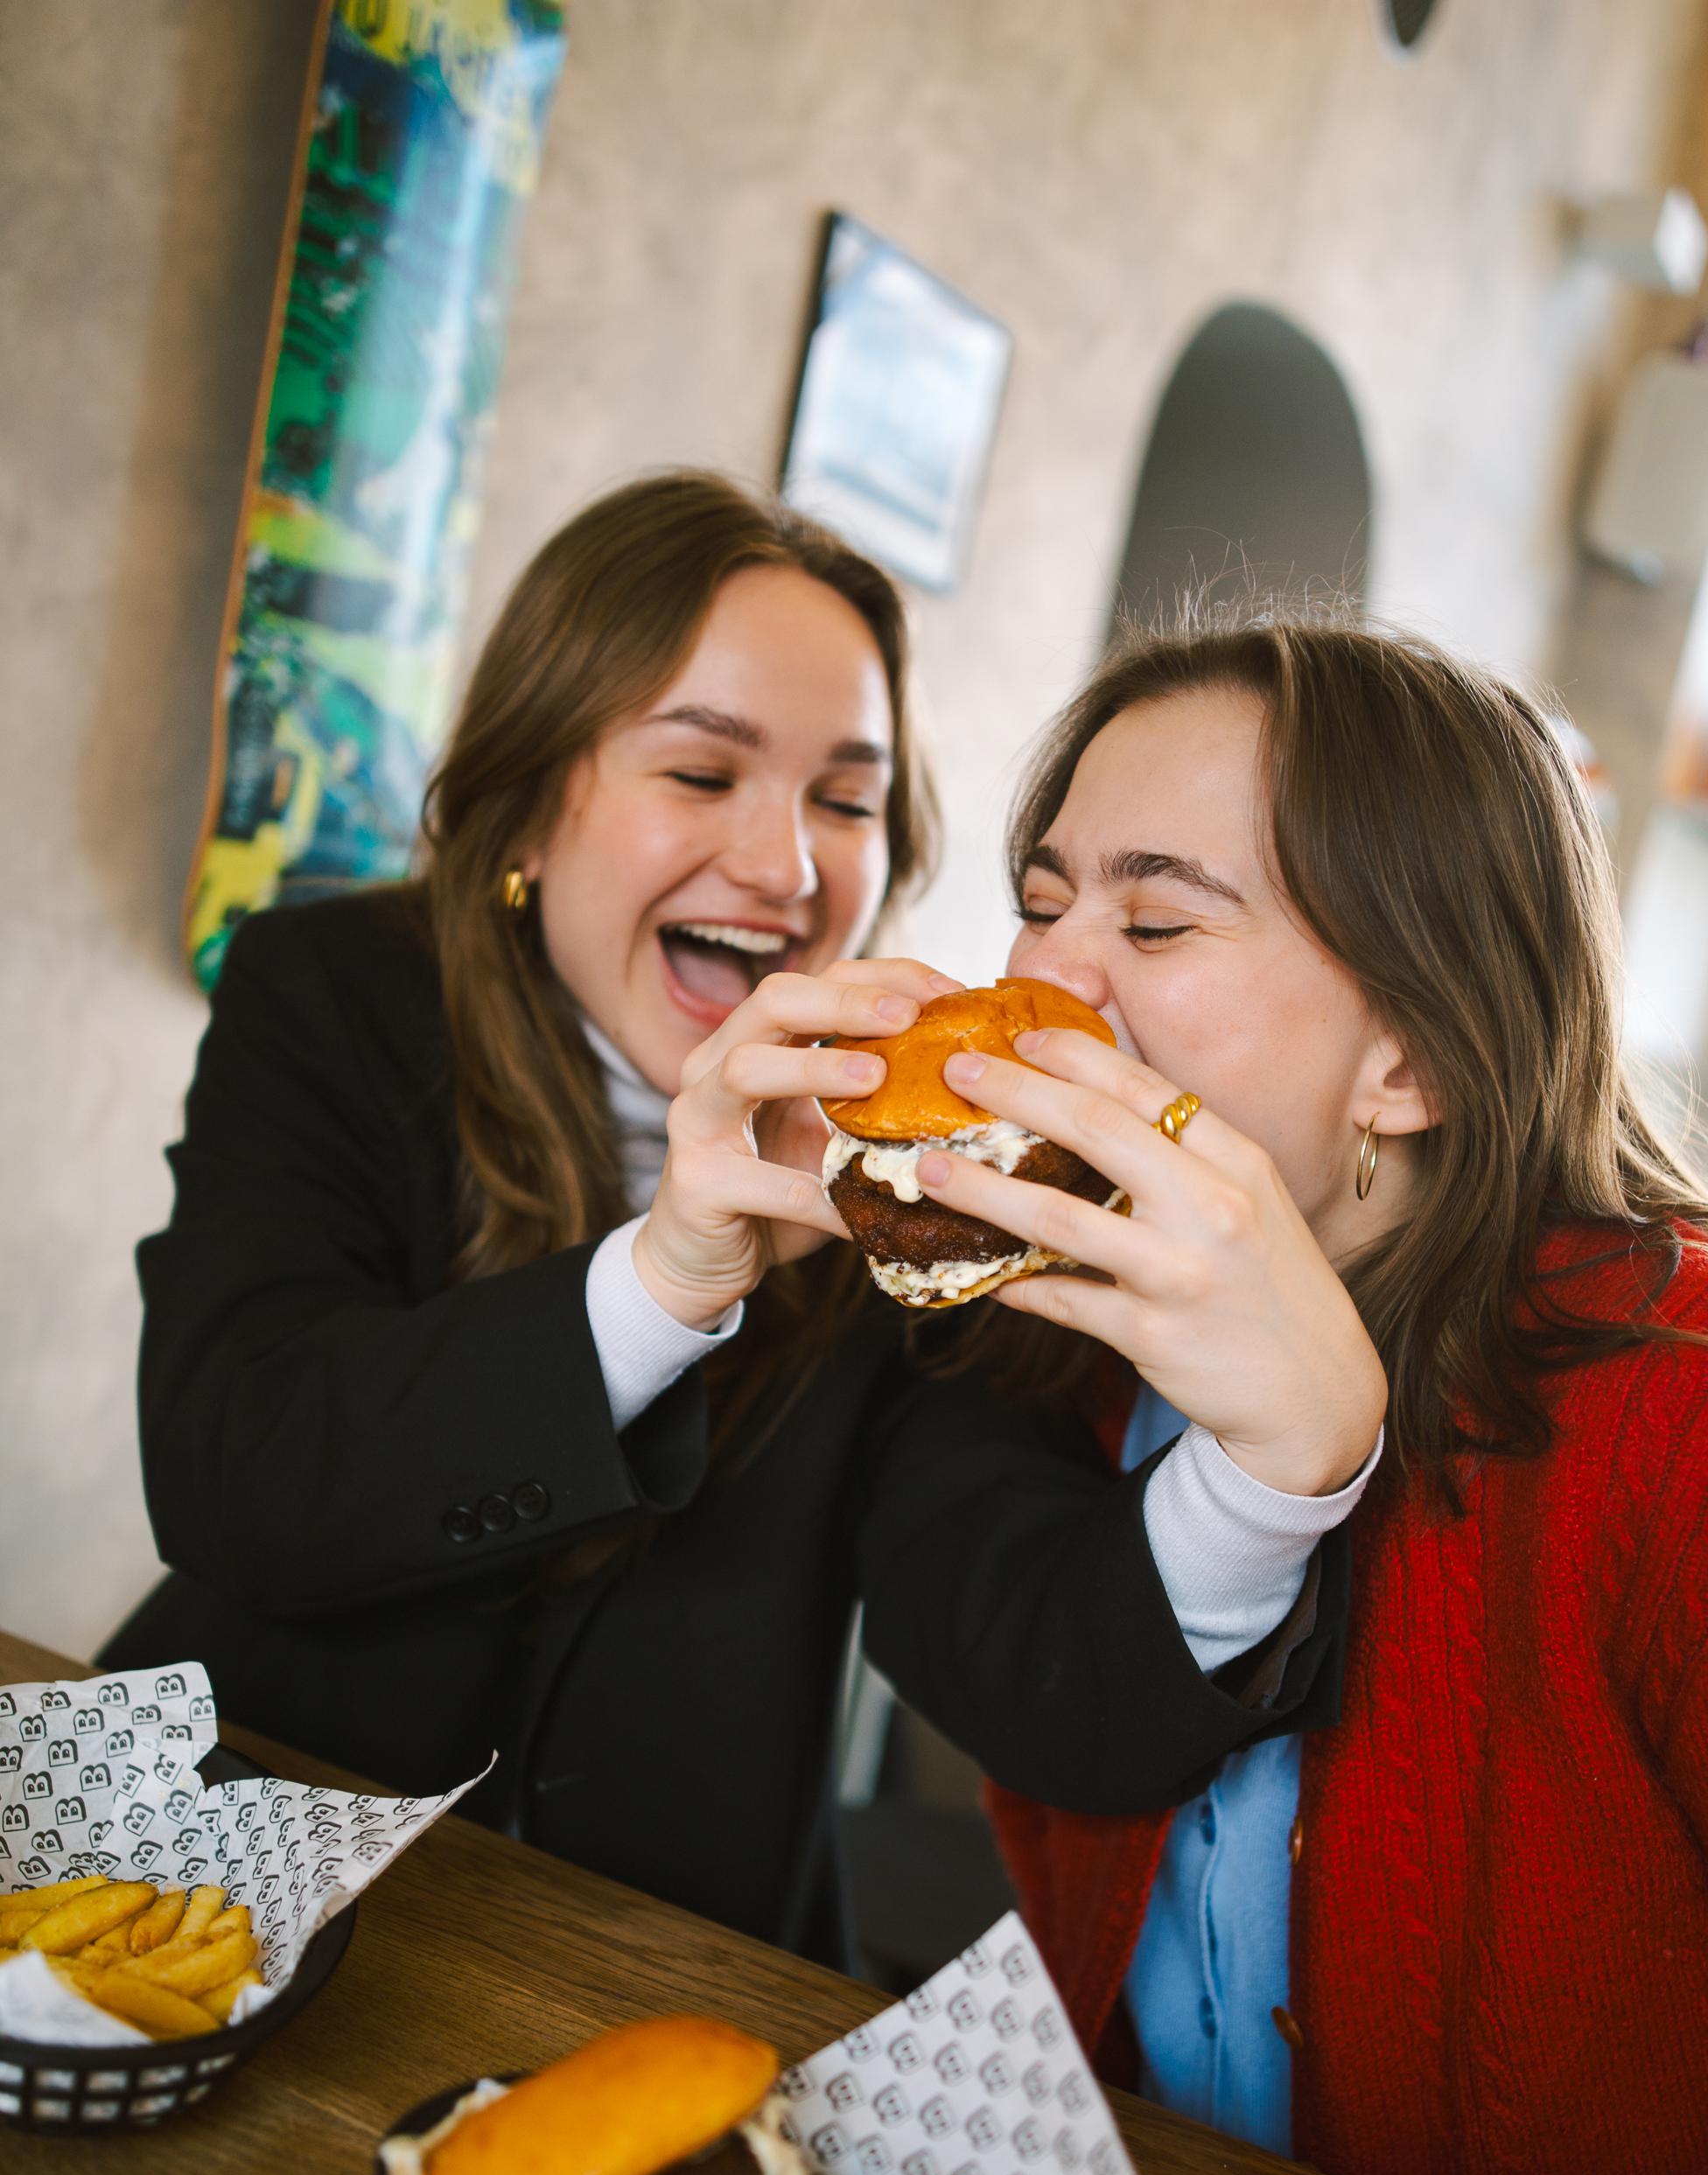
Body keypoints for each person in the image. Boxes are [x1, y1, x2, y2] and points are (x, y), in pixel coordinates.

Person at [106, 475, 1375, 1962]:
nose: (787, 871)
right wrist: (661, 1284)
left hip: (662, 1973)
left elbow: (1041, 1668)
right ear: (528, 802)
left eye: (846, 799)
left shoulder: (915, 1157)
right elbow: (233, 1481)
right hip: (200, 1894)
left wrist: (1276, 1477)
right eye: (702, 777)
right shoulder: (327, 999)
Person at [847, 616, 1708, 2175]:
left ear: (1408, 1055)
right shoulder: (1053, 1347)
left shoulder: (1696, 1421)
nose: (1038, 986)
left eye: (1158, 918)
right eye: (1040, 903)